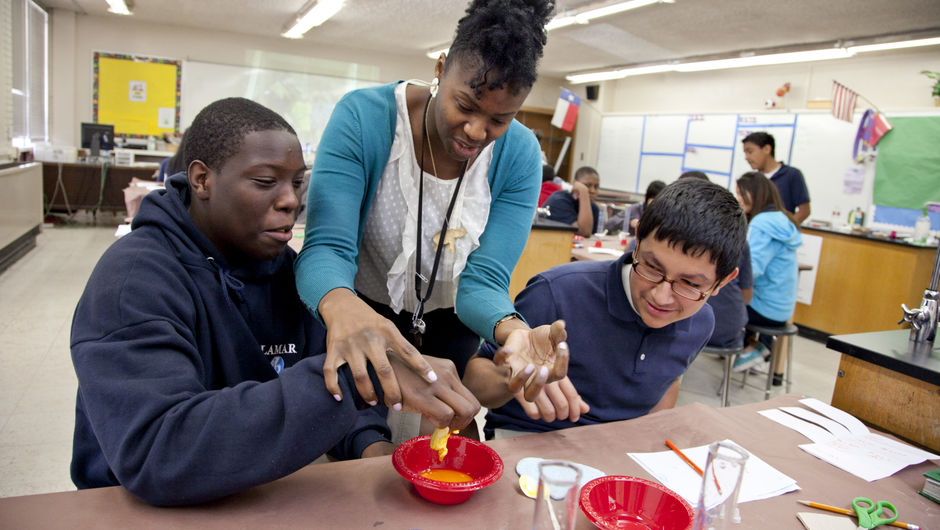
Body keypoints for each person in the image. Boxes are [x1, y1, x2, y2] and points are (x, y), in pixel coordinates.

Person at [69, 98, 479, 506]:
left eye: (298, 183)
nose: (290, 201)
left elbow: (338, 387)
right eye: (266, 182)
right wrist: (362, 377)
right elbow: (161, 452)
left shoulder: (290, 274)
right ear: (201, 180)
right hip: (138, 505)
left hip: (255, 491)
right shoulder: (133, 281)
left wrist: (370, 450)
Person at [295, 0, 567, 441]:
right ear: (441, 68)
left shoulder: (517, 154)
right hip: (358, 316)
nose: (477, 131)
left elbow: (482, 282)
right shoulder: (364, 118)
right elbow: (325, 248)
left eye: (500, 119)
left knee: (438, 460)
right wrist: (341, 306)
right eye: (465, 105)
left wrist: (512, 329)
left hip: (451, 326)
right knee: (356, 454)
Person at [463, 178, 746, 436]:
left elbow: (669, 381)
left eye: (689, 284)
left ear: (722, 282)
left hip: (616, 455)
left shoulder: (701, 321)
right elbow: (474, 380)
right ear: (636, 241)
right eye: (651, 266)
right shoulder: (557, 293)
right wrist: (512, 378)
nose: (661, 296)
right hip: (527, 443)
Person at [731, 171, 802, 375]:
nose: (739, 199)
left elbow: (751, 270)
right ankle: (756, 346)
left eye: (741, 193)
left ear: (756, 193)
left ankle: (747, 347)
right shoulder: (781, 218)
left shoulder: (762, 223)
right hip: (782, 310)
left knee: (718, 297)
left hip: (764, 309)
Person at [677, 171, 753, 349]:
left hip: (693, 327)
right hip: (731, 328)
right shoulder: (740, 240)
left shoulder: (676, 238)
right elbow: (747, 296)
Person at [741, 132, 811, 224]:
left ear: (767, 149)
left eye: (750, 152)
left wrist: (785, 229)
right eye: (745, 153)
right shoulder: (753, 179)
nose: (746, 157)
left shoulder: (792, 174)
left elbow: (804, 211)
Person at [543, 166, 601, 236]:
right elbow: (584, 232)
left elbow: (589, 238)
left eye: (596, 187)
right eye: (587, 185)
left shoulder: (593, 208)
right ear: (575, 183)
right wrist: (583, 192)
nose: (593, 191)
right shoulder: (559, 200)